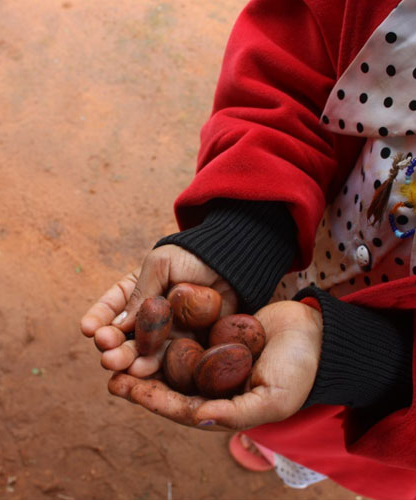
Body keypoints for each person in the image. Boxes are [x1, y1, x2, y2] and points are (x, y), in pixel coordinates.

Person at [81, 1, 416, 498]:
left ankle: (296, 455)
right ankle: (277, 439)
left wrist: (375, 364)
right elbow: (291, 72)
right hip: (306, 255)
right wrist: (247, 231)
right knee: (263, 385)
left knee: (309, 425)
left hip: (388, 404)